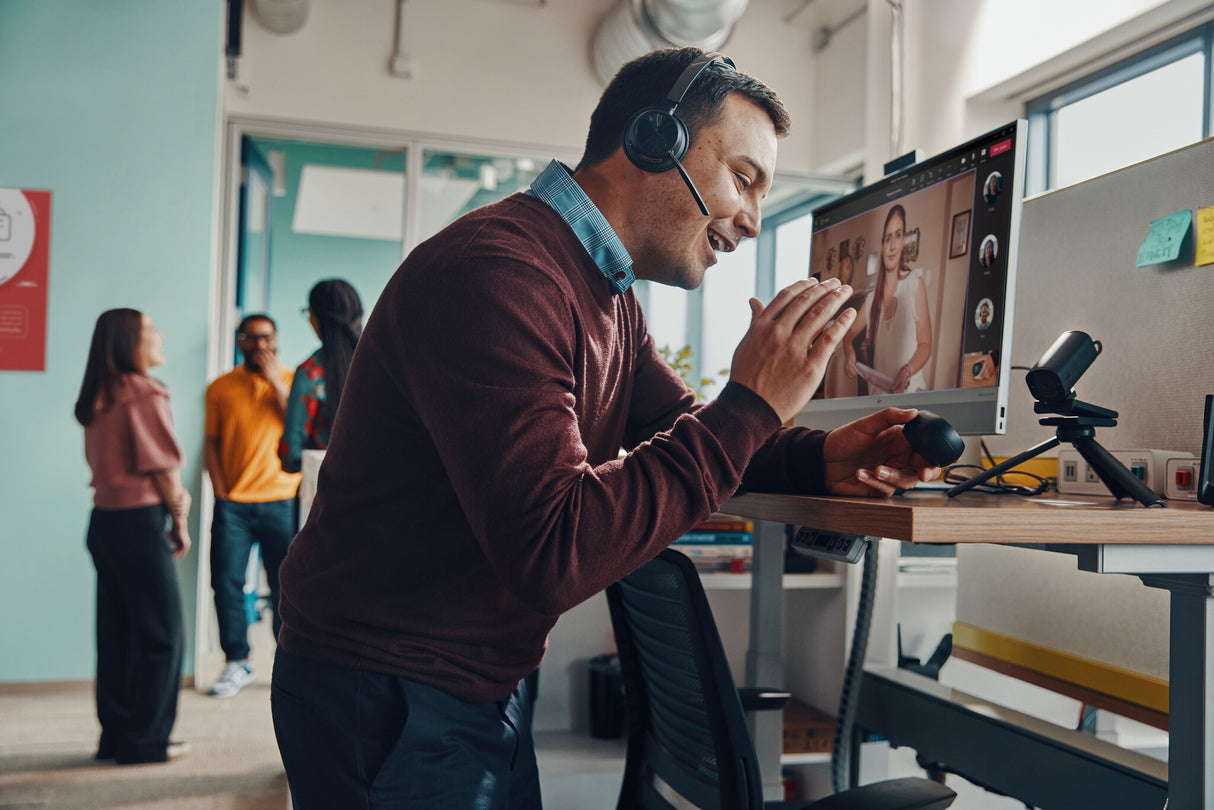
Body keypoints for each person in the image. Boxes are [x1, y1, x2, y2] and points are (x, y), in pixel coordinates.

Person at [271, 47, 939, 809]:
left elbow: (679, 423)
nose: (752, 222)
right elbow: (555, 549)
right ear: (656, 141)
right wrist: (753, 405)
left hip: (464, 680)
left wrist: (819, 458)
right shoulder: (501, 274)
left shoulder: (601, 290)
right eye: (744, 179)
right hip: (388, 690)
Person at [75, 308, 190, 764]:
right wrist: (179, 519)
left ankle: (117, 737)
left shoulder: (100, 393)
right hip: (140, 525)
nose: (160, 335)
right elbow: (163, 467)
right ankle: (145, 743)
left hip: (104, 523)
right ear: (128, 342)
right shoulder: (143, 391)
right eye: (150, 330)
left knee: (118, 634)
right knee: (163, 638)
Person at [204, 314, 300, 698]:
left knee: (286, 585)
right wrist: (220, 489)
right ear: (239, 341)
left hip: (282, 498)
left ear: (276, 341)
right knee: (226, 581)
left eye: (267, 338)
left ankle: (288, 662)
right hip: (235, 505)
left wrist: (275, 379)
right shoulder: (220, 388)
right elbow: (211, 441)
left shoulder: (294, 381)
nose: (259, 345)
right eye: (251, 338)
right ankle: (237, 660)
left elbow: (295, 425)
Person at [843, 204, 933, 394]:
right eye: (888, 238)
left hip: (911, 395)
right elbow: (848, 332)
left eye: (898, 235)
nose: (892, 245)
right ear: (882, 246)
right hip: (880, 399)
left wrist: (906, 371)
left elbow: (925, 344)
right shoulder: (872, 297)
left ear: (904, 242)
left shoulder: (914, 283)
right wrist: (849, 351)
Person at [278, 279, 364, 473]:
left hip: (330, 489)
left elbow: (291, 456)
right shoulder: (385, 363)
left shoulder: (310, 373)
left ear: (318, 318)